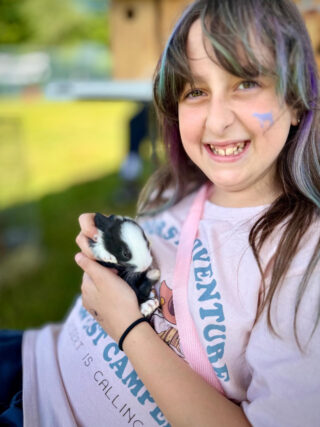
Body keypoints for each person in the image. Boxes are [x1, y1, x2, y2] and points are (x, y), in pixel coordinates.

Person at [1, 0, 320, 425]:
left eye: (246, 83)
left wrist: (126, 326)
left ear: (297, 100)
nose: (217, 120)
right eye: (196, 91)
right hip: (30, 357)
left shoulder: (306, 260)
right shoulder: (184, 186)